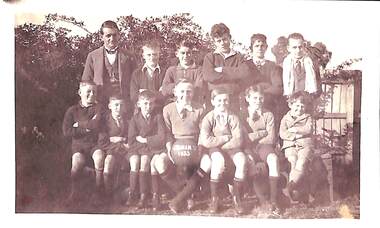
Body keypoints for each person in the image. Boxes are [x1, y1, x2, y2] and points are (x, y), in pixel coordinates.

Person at [153, 79, 211, 213]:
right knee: (159, 163)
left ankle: (178, 200)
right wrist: (169, 149)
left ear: (193, 93)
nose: (185, 95)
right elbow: (167, 132)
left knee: (207, 163)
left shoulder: (199, 108)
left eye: (189, 91)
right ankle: (186, 195)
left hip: (194, 144)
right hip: (175, 144)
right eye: (182, 91)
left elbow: (203, 132)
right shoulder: (168, 109)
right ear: (175, 92)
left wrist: (200, 149)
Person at [199, 88, 247, 215]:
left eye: (225, 100)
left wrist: (224, 146)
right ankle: (215, 199)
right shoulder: (208, 118)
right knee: (218, 162)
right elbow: (206, 141)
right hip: (215, 147)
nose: (223, 103)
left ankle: (236, 198)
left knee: (242, 161)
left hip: (230, 147)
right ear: (213, 101)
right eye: (219, 100)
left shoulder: (233, 117)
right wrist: (223, 139)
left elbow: (238, 140)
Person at [82, 20, 135, 116]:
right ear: (101, 37)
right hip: (100, 103)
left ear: (119, 35)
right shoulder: (93, 56)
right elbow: (86, 81)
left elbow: (136, 80)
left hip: (122, 104)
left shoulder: (129, 56)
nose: (112, 38)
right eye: (108, 36)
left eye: (115, 35)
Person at [62, 81, 103, 207]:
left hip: (95, 144)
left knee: (99, 157)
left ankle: (98, 193)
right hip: (79, 146)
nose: (91, 94)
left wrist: (79, 125)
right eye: (88, 92)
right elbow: (67, 132)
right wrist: (86, 127)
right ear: (80, 93)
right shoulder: (72, 111)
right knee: (76, 163)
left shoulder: (99, 108)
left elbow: (96, 125)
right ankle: (74, 193)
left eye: (94, 92)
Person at [242, 85, 281, 214]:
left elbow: (271, 138)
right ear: (247, 98)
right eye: (254, 98)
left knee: (273, 159)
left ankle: (274, 200)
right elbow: (243, 138)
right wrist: (261, 133)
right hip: (247, 148)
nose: (258, 101)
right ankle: (263, 200)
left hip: (263, 146)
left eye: (260, 98)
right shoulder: (242, 114)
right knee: (250, 162)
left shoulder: (268, 114)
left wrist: (254, 138)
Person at [125, 90, 166, 211]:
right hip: (136, 149)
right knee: (134, 162)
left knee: (144, 161)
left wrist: (145, 140)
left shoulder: (157, 117)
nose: (148, 107)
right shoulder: (134, 119)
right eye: (145, 104)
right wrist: (145, 141)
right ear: (139, 104)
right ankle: (132, 194)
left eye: (151, 104)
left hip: (151, 148)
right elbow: (131, 140)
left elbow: (162, 137)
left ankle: (144, 196)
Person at [202, 23, 250, 113]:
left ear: (230, 38)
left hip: (234, 100)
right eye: (218, 41)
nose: (222, 43)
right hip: (215, 102)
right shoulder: (210, 57)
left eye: (224, 39)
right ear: (214, 42)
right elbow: (208, 76)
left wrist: (222, 70)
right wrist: (234, 75)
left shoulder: (238, 57)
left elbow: (244, 73)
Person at [246, 33, 287, 132]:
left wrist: (256, 89)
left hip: (268, 105)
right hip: (248, 106)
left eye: (262, 46)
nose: (260, 48)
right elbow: (244, 87)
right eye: (256, 46)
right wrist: (266, 86)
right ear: (251, 48)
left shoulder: (273, 66)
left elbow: (277, 88)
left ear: (266, 47)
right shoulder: (246, 65)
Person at [279, 91, 314, 201]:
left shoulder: (307, 117)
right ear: (291, 105)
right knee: (292, 161)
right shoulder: (285, 118)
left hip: (305, 145)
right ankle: (295, 194)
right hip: (290, 145)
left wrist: (295, 130)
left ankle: (289, 188)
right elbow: (282, 133)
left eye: (302, 106)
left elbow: (308, 129)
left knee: (301, 162)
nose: (299, 109)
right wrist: (295, 137)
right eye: (297, 106)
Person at [96, 94, 129, 206]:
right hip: (112, 150)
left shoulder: (127, 119)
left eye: (120, 105)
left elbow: (130, 137)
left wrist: (118, 140)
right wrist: (119, 142)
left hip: (126, 150)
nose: (118, 108)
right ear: (110, 106)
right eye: (115, 105)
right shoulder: (104, 121)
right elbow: (102, 142)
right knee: (109, 161)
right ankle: (108, 194)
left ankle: (125, 193)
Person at [161, 39, 205, 105]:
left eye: (188, 53)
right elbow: (165, 90)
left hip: (194, 105)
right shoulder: (171, 70)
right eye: (182, 53)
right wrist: (187, 86)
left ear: (192, 53)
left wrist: (175, 87)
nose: (185, 56)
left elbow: (199, 89)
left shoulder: (199, 70)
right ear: (177, 54)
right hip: (175, 105)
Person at [130, 40, 166, 109]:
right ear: (143, 56)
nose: (152, 58)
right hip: (141, 112)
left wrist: (143, 92)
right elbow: (133, 97)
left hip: (159, 111)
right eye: (149, 55)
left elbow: (164, 95)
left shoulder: (164, 73)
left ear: (159, 54)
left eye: (154, 54)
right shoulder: (136, 74)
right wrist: (157, 93)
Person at [282, 33, 321, 97]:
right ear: (288, 48)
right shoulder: (283, 65)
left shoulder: (312, 63)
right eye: (294, 47)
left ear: (304, 46)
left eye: (300, 47)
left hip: (308, 100)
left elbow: (318, 85)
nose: (298, 50)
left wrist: (312, 97)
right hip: (289, 100)